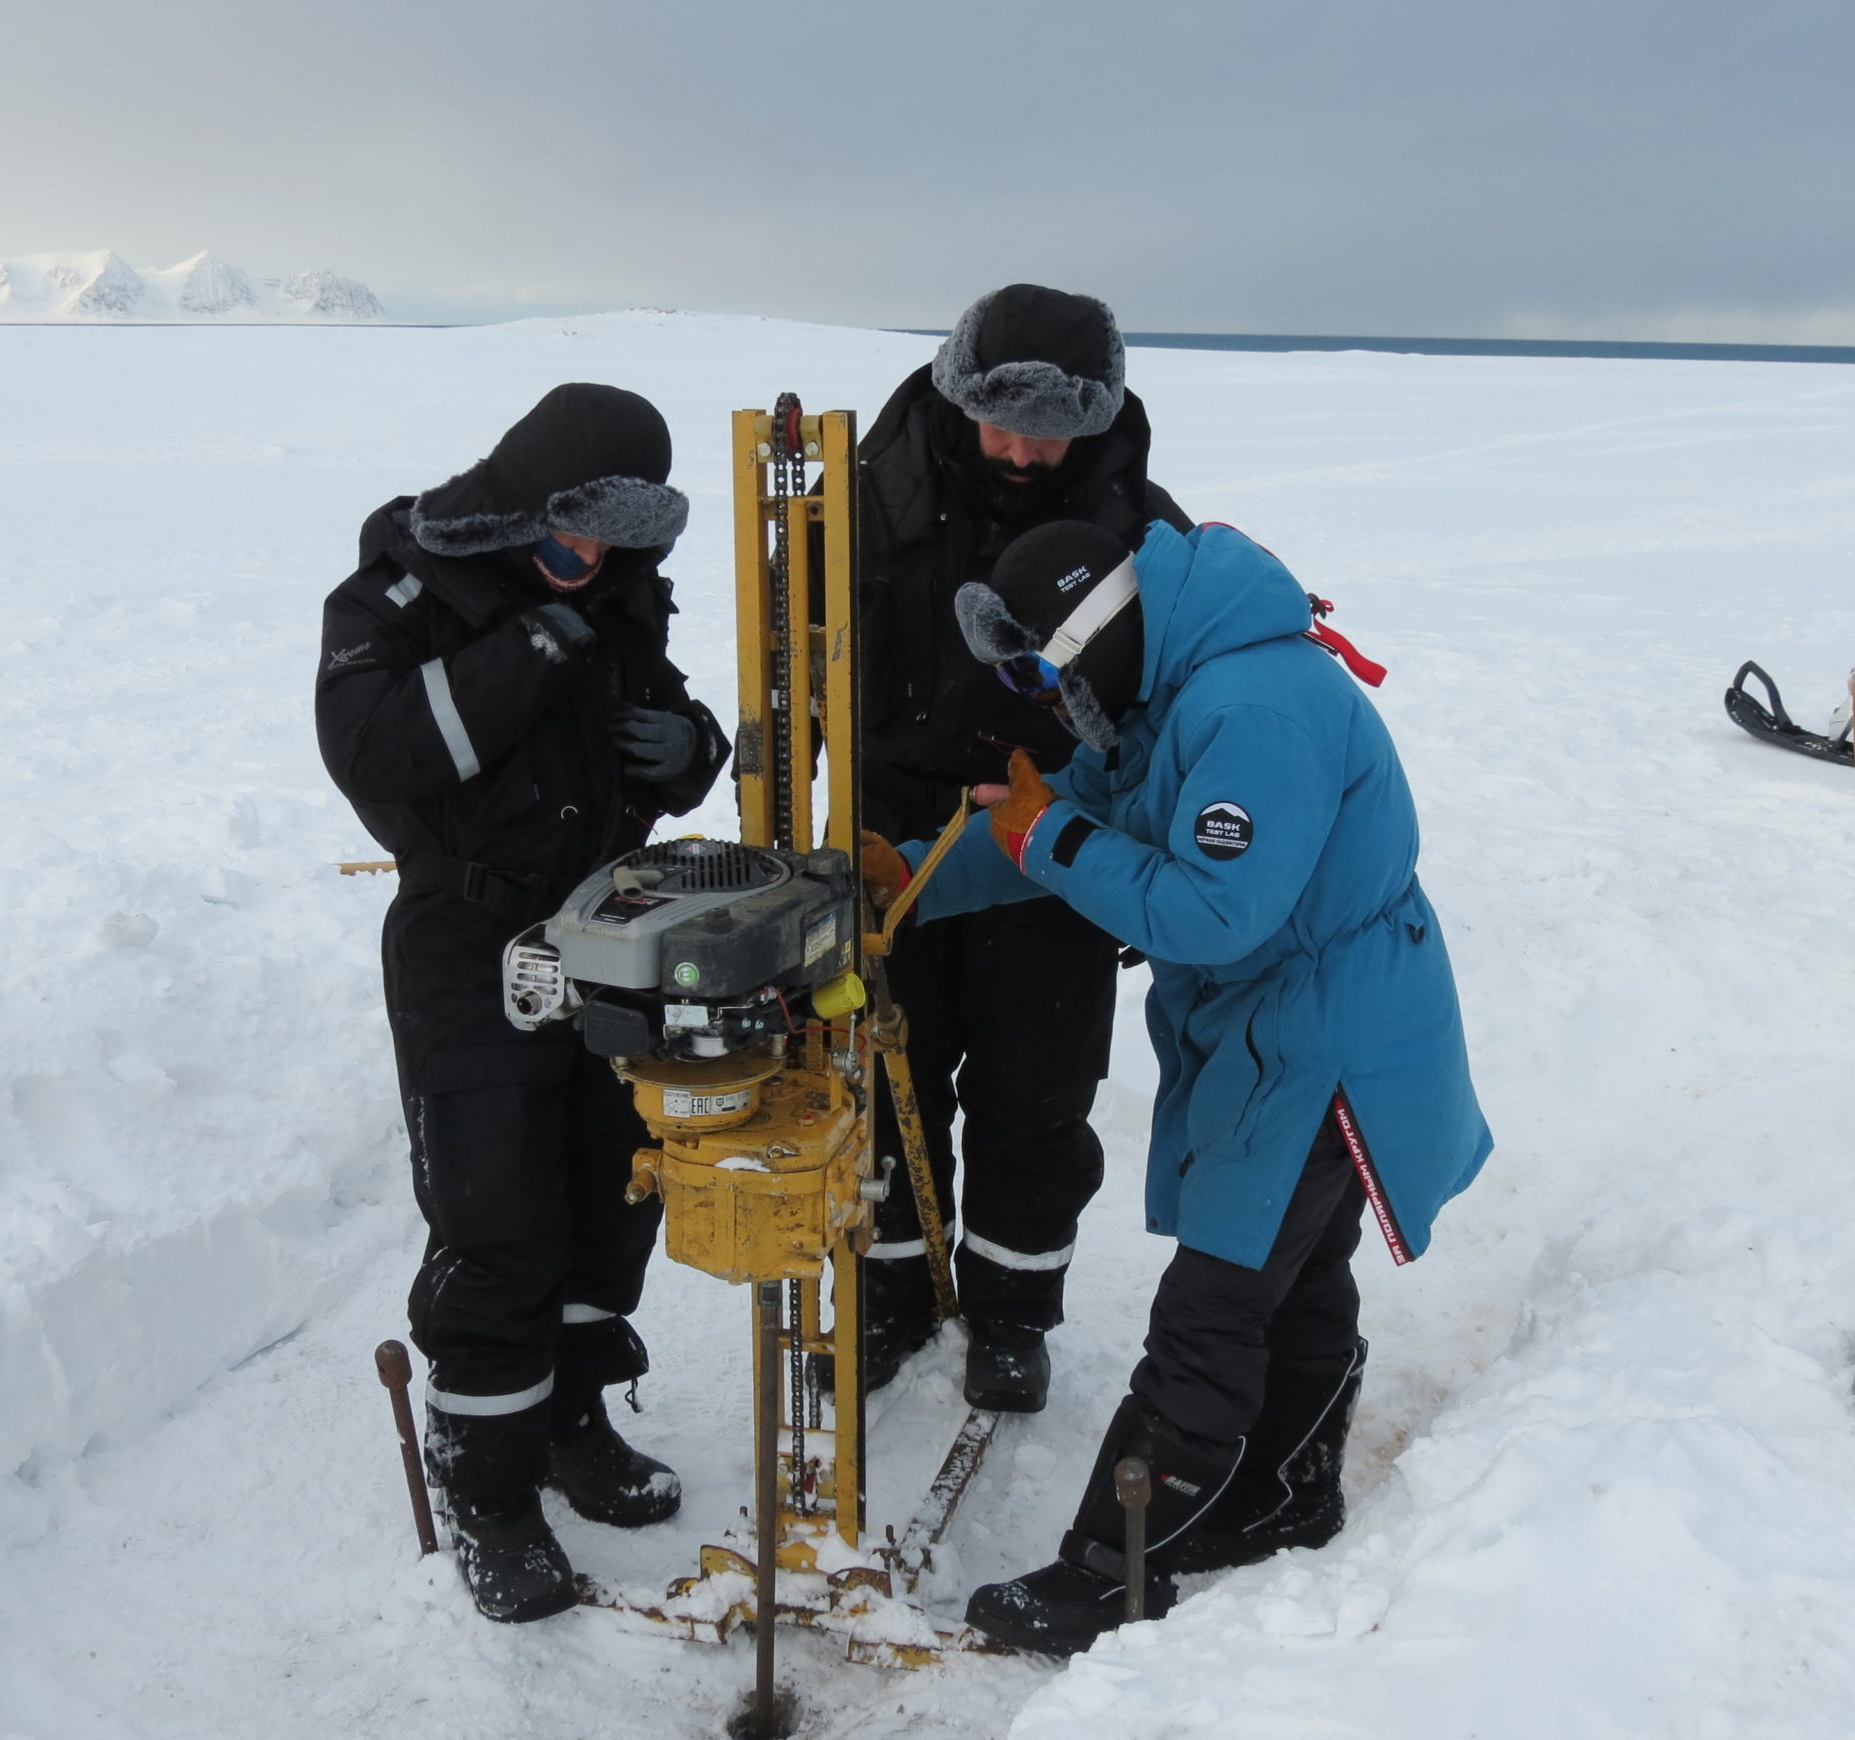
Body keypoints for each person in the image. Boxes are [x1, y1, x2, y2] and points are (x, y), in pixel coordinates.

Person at [863, 517, 1492, 1657]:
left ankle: (1110, 1572)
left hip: (1319, 1044)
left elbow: (1210, 910)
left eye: (1036, 668)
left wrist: (1046, 833)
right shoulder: (1178, 690)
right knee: (1293, 1284)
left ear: (1093, 636)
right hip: (1285, 1029)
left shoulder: (1253, 712)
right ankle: (1283, 1498)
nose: (1035, 698)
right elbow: (1070, 821)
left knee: (1213, 1310)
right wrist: (907, 881)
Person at [316, 384, 730, 1623]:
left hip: (610, 924)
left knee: (615, 1190)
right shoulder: (396, 593)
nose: (592, 564)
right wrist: (530, 648)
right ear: (518, 502)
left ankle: (573, 1420)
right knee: (497, 1216)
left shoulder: (616, 588)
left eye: (618, 541)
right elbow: (375, 754)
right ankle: (486, 1486)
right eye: (571, 537)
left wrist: (691, 746)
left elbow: (647, 725)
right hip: (468, 933)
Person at [856, 283, 1192, 1414]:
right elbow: (797, 650)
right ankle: (895, 1292)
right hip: (891, 832)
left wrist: (1141, 857)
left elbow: (1174, 706)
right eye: (1003, 420)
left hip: (1058, 838)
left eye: (1051, 428)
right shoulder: (867, 496)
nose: (1022, 449)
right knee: (884, 1074)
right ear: (959, 392)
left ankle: (1010, 1311)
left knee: (1037, 1093)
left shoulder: (1146, 529)